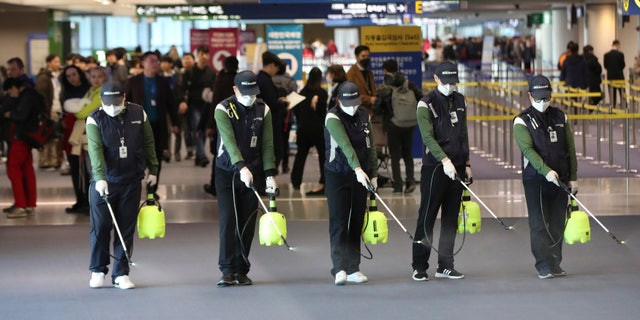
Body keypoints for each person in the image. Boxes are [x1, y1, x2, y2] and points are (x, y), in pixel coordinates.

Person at [86, 82, 159, 289]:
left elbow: (148, 143)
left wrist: (153, 169)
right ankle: (98, 269)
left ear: (124, 98)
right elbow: (95, 150)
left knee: (125, 228)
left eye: (116, 103)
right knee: (101, 227)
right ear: (101, 101)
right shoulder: (94, 119)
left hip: (131, 180)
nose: (112, 108)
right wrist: (100, 177)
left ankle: (120, 274)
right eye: (107, 104)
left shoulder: (138, 113)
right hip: (105, 182)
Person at [213, 70, 277, 286]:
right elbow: (229, 142)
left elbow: (267, 143)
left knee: (248, 223)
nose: (250, 97)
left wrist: (269, 174)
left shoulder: (263, 109)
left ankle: (242, 268)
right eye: (245, 93)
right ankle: (227, 270)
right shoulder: (223, 109)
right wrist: (241, 167)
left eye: (253, 93)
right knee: (229, 219)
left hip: (255, 171)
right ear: (235, 89)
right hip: (227, 172)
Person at [513, 75, 578, 279]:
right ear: (530, 96)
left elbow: (570, 149)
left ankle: (555, 262)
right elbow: (528, 150)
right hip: (536, 179)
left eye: (546, 97)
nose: (543, 102)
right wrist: (545, 170)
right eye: (539, 98)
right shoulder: (521, 120)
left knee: (558, 221)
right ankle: (542, 263)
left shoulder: (560, 117)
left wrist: (573, 177)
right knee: (539, 223)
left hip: (561, 179)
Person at [412, 61, 470, 281]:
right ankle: (419, 265)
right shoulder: (425, 104)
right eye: (446, 82)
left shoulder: (461, 100)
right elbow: (427, 137)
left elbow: (463, 133)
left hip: (458, 167)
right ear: (436, 79)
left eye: (453, 82)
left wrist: (467, 162)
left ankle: (445, 265)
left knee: (450, 219)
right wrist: (444, 160)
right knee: (426, 217)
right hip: (435, 168)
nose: (450, 86)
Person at [324, 81, 378, 285]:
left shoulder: (364, 115)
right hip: (338, 174)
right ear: (339, 100)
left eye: (356, 102)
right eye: (349, 103)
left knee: (356, 220)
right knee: (339, 221)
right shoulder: (333, 117)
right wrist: (357, 169)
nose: (353, 107)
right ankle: (338, 267)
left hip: (361, 174)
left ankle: (353, 267)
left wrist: (372, 173)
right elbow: (346, 146)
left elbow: (370, 145)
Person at [124, 51, 179, 197]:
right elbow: (125, 102)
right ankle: (135, 186)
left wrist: (175, 123)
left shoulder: (163, 82)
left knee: (156, 158)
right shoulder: (133, 81)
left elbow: (171, 104)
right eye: (152, 61)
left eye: (157, 61)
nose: (156, 64)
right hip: (137, 126)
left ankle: (152, 189)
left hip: (158, 125)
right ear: (143, 63)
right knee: (137, 157)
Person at [373, 58, 423, 194]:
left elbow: (377, 107)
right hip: (410, 123)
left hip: (393, 124)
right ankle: (411, 181)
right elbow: (421, 96)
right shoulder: (408, 84)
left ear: (385, 70)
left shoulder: (384, 87)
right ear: (397, 68)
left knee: (395, 156)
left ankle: (398, 185)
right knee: (408, 154)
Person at [2, 77, 43, 218]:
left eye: (9, 91)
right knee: (27, 170)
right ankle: (29, 203)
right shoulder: (31, 94)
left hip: (20, 138)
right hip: (28, 139)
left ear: (14, 87)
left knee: (14, 170)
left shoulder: (26, 96)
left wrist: (9, 114)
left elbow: (21, 115)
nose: (9, 94)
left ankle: (21, 205)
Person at [201, 55, 239, 197]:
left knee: (219, 154)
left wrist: (210, 125)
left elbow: (215, 104)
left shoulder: (220, 81)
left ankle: (215, 186)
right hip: (239, 122)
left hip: (222, 122)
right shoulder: (239, 81)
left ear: (224, 66)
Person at [290, 67, 328, 195]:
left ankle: (295, 182)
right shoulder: (322, 93)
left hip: (303, 128)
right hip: (318, 129)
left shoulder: (301, 93)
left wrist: (301, 118)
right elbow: (323, 112)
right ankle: (324, 180)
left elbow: (294, 109)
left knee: (300, 156)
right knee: (323, 156)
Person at [180, 46, 215, 167]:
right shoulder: (190, 72)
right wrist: (182, 102)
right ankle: (202, 154)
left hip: (207, 105)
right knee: (197, 127)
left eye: (206, 54)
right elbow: (182, 88)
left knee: (203, 130)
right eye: (202, 54)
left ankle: (199, 156)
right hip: (193, 104)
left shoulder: (211, 73)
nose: (204, 57)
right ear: (198, 56)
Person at [256, 51, 289, 174]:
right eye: (276, 68)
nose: (276, 72)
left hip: (263, 122)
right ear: (271, 65)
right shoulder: (265, 80)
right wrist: (284, 103)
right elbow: (271, 104)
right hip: (270, 123)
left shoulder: (260, 79)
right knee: (276, 151)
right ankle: (267, 179)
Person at [34, 54, 63, 171]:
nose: (58, 64)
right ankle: (47, 161)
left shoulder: (56, 76)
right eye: (55, 62)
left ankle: (55, 160)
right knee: (48, 136)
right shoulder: (44, 77)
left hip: (58, 108)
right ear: (48, 63)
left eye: (58, 62)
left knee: (56, 135)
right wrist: (46, 110)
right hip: (49, 110)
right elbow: (40, 95)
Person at [346, 45, 376, 113]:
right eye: (363, 56)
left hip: (370, 112)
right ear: (357, 57)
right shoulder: (351, 73)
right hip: (358, 112)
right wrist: (369, 99)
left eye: (368, 56)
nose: (366, 58)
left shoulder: (369, 72)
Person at [603, 40, 625, 108]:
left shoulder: (606, 55)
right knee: (622, 93)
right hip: (619, 77)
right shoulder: (620, 54)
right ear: (617, 45)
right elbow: (623, 65)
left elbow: (605, 66)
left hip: (610, 77)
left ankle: (612, 107)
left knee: (612, 94)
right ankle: (624, 107)